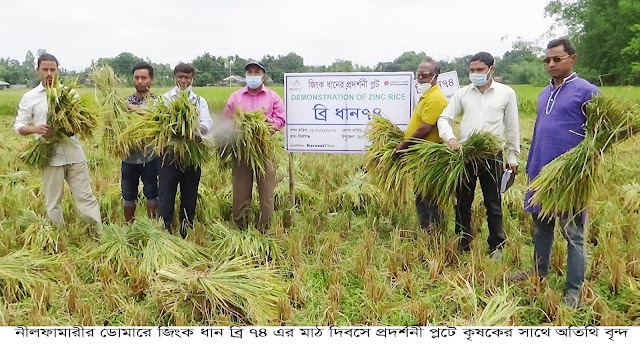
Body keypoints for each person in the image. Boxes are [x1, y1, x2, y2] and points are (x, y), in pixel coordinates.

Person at [510, 38, 599, 307]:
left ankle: (573, 289)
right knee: (540, 227)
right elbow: (539, 131)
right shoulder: (543, 93)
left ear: (573, 59)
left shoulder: (588, 92)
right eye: (547, 60)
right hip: (541, 171)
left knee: (573, 233)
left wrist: (579, 168)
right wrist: (531, 165)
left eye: (556, 59)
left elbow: (598, 139)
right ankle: (538, 273)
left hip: (570, 177)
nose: (550, 64)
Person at [436, 52, 520, 260]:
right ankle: (463, 241)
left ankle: (496, 245)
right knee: (463, 201)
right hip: (466, 155)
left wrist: (512, 157)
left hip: (492, 154)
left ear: (491, 69)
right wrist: (451, 139)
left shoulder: (506, 93)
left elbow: (512, 127)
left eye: (480, 70)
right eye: (472, 70)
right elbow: (443, 118)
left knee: (493, 201)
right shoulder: (462, 94)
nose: (475, 74)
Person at [13, 53, 102, 229]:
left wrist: (70, 128)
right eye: (45, 69)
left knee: (86, 197)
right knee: (53, 200)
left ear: (58, 70)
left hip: (74, 154)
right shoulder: (30, 97)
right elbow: (19, 126)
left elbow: (81, 123)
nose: (49, 73)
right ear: (38, 70)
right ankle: (58, 234)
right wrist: (37, 129)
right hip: (50, 156)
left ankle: (96, 231)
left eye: (52, 69)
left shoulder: (70, 94)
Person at [223, 61, 285, 232]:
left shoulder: (273, 97)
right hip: (242, 151)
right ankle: (240, 228)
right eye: (249, 72)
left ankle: (265, 229)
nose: (252, 75)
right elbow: (226, 121)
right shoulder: (236, 97)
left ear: (263, 75)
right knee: (240, 191)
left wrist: (265, 122)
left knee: (266, 192)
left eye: (256, 72)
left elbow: (281, 120)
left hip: (264, 149)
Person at [158, 63, 213, 238]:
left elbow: (207, 123)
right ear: (174, 77)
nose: (183, 80)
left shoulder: (198, 101)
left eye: (187, 77)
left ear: (192, 79)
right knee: (166, 192)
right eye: (180, 77)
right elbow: (158, 123)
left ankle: (186, 229)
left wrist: (197, 130)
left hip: (192, 153)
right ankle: (164, 228)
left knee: (189, 194)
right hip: (169, 154)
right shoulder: (165, 99)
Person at [395, 59, 448, 232]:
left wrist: (404, 145)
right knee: (420, 194)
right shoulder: (426, 96)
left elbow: (425, 128)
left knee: (430, 195)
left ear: (435, 76)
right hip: (420, 154)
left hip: (430, 155)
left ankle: (436, 232)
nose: (420, 78)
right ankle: (426, 229)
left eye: (425, 75)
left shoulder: (436, 98)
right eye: (418, 75)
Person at [121, 62, 159, 224]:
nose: (140, 81)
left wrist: (132, 109)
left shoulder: (158, 102)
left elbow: (154, 115)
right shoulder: (124, 102)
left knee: (152, 192)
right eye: (136, 77)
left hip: (151, 155)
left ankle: (151, 226)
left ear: (151, 80)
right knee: (128, 194)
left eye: (144, 77)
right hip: (129, 156)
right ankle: (129, 225)